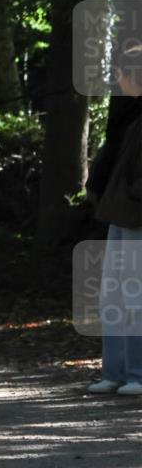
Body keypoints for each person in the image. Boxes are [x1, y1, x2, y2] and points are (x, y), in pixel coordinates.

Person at [87, 42, 142, 396]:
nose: (118, 79)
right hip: (121, 210)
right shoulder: (127, 114)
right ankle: (116, 370)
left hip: (135, 211)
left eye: (121, 73)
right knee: (115, 291)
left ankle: (137, 373)